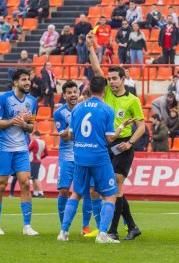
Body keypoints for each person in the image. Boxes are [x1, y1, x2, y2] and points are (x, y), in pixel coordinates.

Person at [57, 76, 134, 244]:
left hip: (80, 157)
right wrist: (122, 126)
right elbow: (110, 139)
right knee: (110, 196)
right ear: (105, 90)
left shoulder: (77, 109)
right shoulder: (107, 109)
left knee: (76, 194)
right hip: (99, 158)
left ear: (89, 89)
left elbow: (70, 135)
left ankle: (63, 232)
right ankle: (102, 234)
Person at [87, 32, 145, 241]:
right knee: (113, 189)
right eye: (109, 79)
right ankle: (132, 226)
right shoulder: (108, 93)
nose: (110, 82)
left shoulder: (132, 101)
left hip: (123, 146)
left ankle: (111, 231)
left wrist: (130, 143)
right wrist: (91, 47)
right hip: (107, 143)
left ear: (123, 79)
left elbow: (141, 127)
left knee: (115, 185)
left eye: (114, 78)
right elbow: (95, 69)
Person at [0, 69, 38, 236]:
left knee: (25, 183)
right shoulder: (3, 99)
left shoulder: (32, 101)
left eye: (29, 79)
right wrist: (13, 121)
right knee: (1, 185)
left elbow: (31, 127)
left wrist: (25, 125)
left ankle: (27, 226)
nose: (27, 82)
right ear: (15, 82)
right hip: (3, 148)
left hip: (21, 149)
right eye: (24, 79)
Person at [54, 80, 94, 235]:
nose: (72, 95)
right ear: (64, 95)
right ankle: (64, 227)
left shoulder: (85, 108)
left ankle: (85, 226)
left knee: (89, 191)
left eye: (74, 92)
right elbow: (64, 137)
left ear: (78, 93)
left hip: (83, 154)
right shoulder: (59, 113)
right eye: (69, 92)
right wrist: (75, 125)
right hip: (66, 155)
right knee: (63, 190)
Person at [28, 131, 48, 198]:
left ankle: (41, 192)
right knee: (33, 177)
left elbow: (28, 149)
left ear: (34, 135)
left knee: (35, 178)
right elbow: (46, 153)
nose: (31, 137)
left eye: (32, 136)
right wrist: (40, 158)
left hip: (33, 161)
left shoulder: (34, 141)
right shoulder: (43, 142)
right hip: (38, 161)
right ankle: (35, 193)